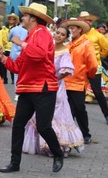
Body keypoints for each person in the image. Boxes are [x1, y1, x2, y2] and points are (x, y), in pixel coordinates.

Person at [0, 3, 64, 173]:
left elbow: (40, 55)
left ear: (33, 18)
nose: (23, 18)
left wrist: (21, 43)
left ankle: (58, 153)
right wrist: (2, 58)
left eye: (25, 16)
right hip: (27, 88)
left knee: (43, 127)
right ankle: (14, 163)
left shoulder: (42, 32)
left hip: (43, 88)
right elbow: (18, 66)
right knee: (18, 124)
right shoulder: (29, 37)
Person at [21, 26, 85, 156]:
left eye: (62, 34)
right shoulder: (48, 47)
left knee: (56, 115)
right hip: (43, 85)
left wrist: (55, 79)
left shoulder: (65, 51)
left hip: (56, 87)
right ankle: (44, 144)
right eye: (57, 33)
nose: (58, 36)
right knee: (41, 115)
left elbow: (66, 70)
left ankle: (59, 145)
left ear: (66, 38)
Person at [62, 18, 100, 145]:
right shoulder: (67, 44)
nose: (71, 30)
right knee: (67, 109)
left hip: (78, 82)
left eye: (74, 28)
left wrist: (87, 76)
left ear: (80, 30)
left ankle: (85, 133)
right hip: (64, 81)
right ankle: (68, 134)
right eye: (70, 27)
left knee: (79, 109)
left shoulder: (86, 44)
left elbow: (93, 65)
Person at [78, 11, 108, 125]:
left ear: (91, 22)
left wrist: (98, 56)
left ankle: (107, 115)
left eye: (88, 20)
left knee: (97, 92)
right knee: (78, 92)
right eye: (84, 20)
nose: (86, 22)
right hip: (80, 67)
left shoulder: (98, 35)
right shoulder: (79, 35)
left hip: (95, 67)